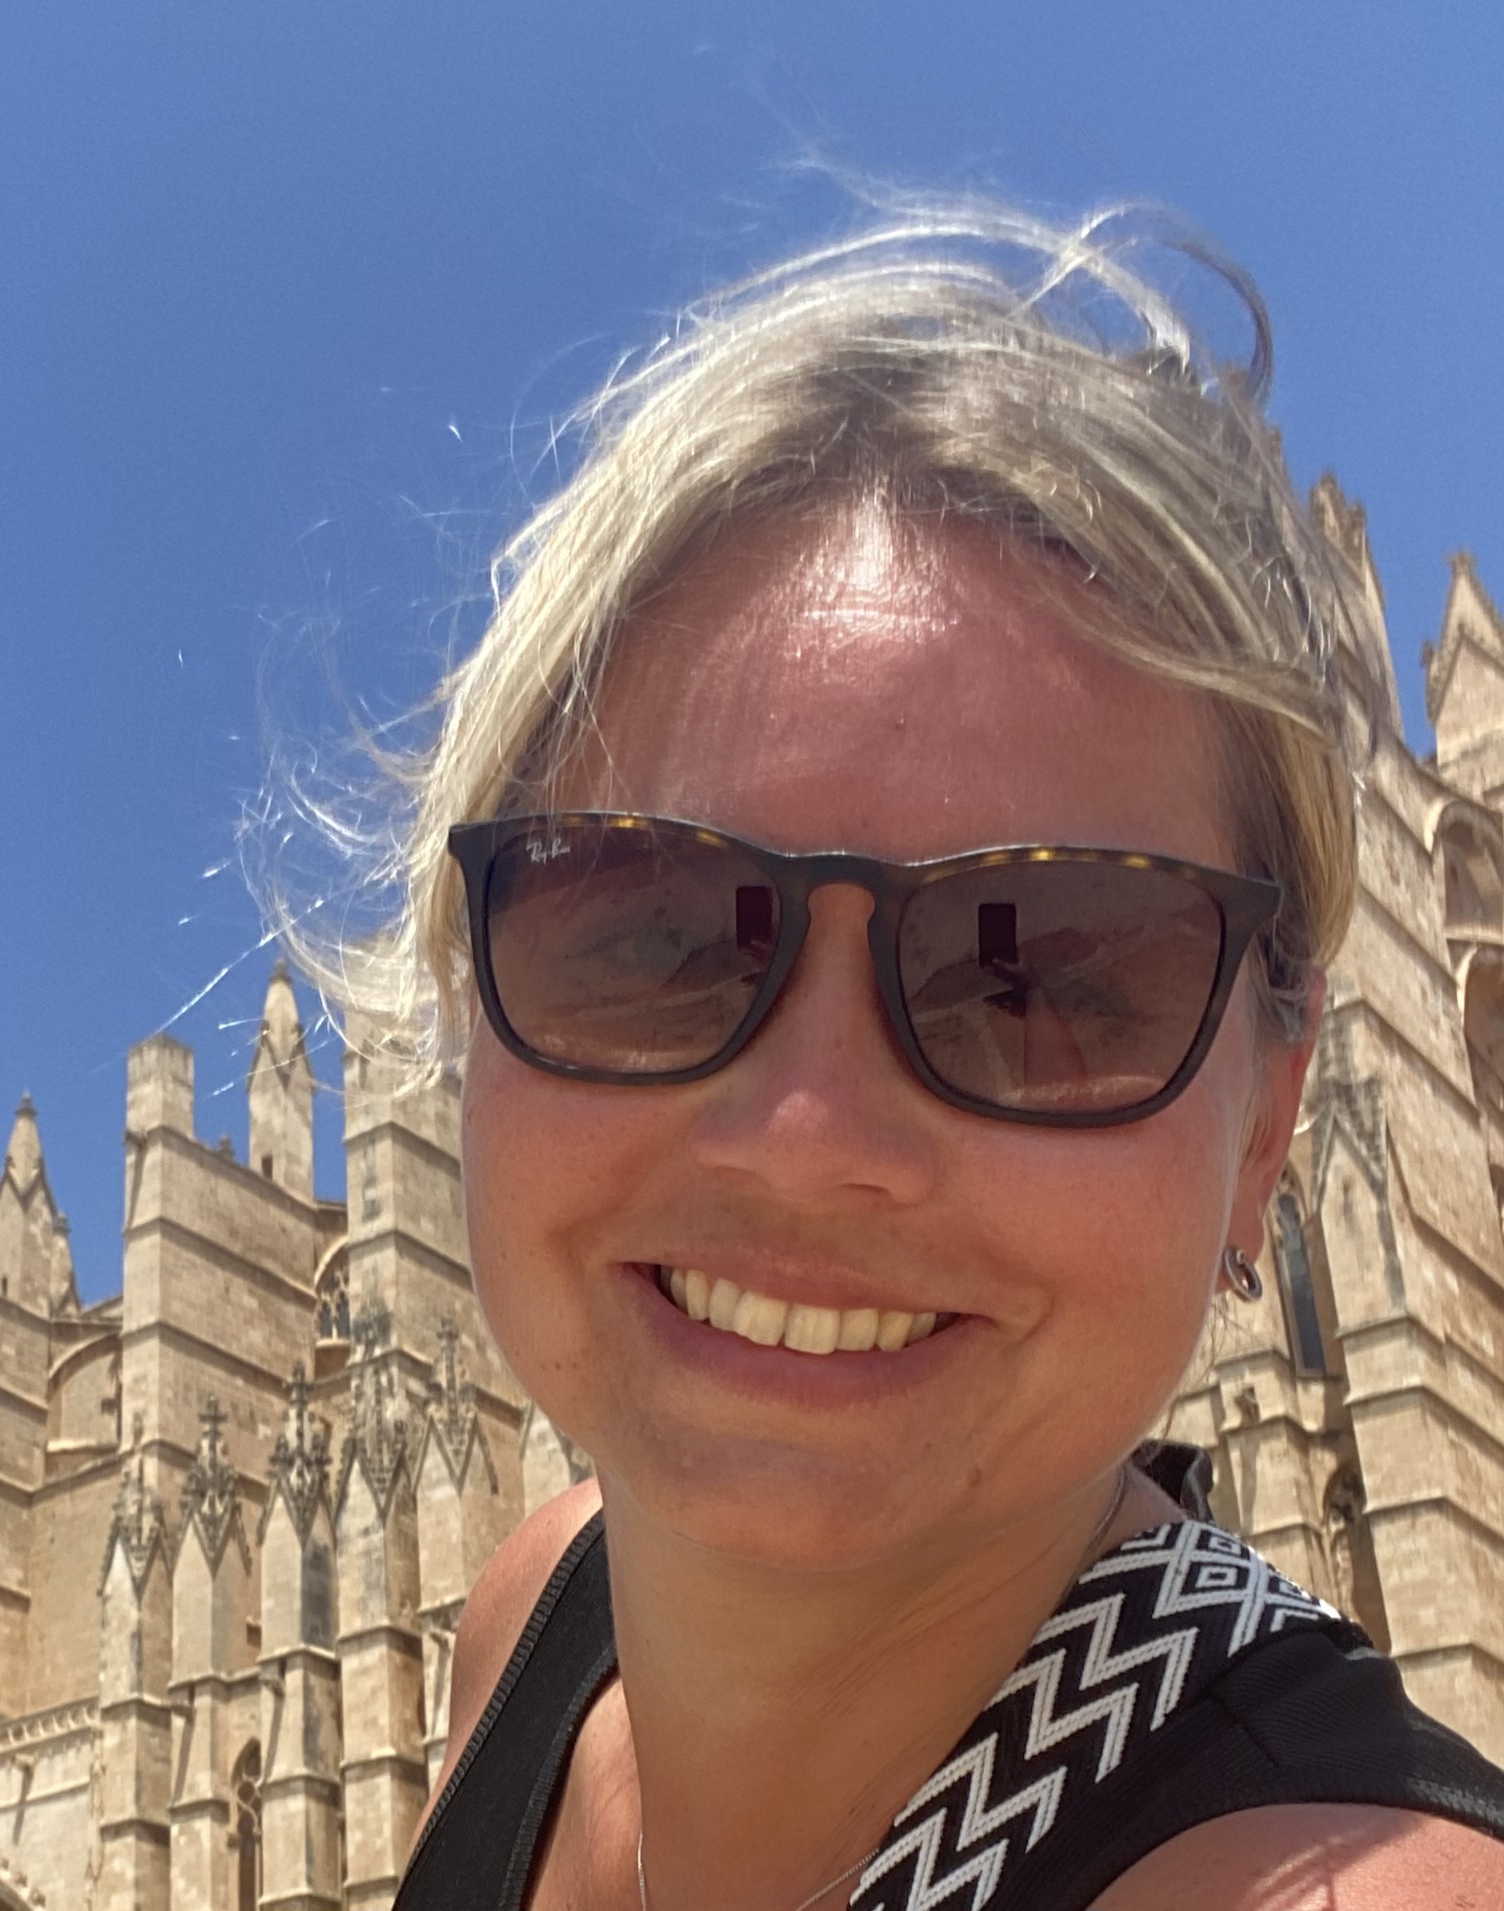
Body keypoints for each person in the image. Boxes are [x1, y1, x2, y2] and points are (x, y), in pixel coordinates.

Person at [287, 201, 1504, 1909]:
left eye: (1039, 975)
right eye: (652, 935)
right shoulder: (535, 1616)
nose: (809, 1131)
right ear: (462, 1010)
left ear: (1263, 1138)